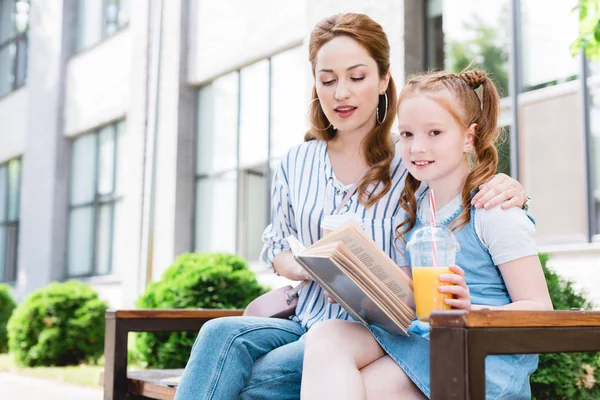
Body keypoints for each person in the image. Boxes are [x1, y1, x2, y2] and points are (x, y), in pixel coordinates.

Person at [174, 14, 528, 400]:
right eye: (327, 80)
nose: (340, 92)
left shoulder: (412, 158)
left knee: (253, 382)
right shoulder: (297, 161)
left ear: (382, 81)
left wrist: (510, 187)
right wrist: (315, 266)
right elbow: (276, 245)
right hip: (308, 319)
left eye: (356, 78)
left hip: (382, 332)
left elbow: (464, 190)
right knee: (218, 335)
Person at [300, 69, 553, 400]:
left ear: (468, 137)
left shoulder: (494, 209)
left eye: (434, 132)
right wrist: (354, 287)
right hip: (428, 343)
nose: (417, 147)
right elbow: (410, 301)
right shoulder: (418, 210)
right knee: (326, 335)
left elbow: (541, 310)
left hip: (482, 361)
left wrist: (470, 312)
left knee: (363, 387)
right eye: (406, 134)